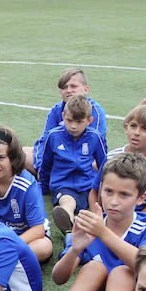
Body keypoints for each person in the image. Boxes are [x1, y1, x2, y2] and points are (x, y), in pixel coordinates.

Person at [52, 152, 146, 291]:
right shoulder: (91, 224)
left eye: (124, 194)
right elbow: (58, 278)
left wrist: (103, 233)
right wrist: (75, 250)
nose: (113, 201)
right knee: (94, 268)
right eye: (109, 191)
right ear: (101, 188)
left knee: (122, 273)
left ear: (141, 198)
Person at [0, 127, 51, 263]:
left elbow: (38, 230)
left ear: (13, 156)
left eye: (1, 157)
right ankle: (5, 260)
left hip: (26, 237)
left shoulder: (27, 184)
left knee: (44, 247)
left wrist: (7, 245)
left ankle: (0, 261)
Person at [40, 95, 107, 236]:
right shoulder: (53, 136)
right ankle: (68, 226)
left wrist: (102, 187)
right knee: (67, 202)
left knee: (97, 207)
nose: (73, 126)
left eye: (79, 121)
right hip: (62, 185)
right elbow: (46, 164)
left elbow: (104, 165)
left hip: (88, 186)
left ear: (89, 121)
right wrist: (44, 187)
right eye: (69, 120)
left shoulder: (95, 137)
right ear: (63, 116)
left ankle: (78, 224)